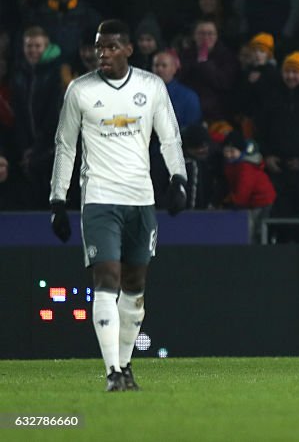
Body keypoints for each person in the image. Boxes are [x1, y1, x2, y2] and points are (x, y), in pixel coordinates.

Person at [48, 20, 188, 392]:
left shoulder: (150, 86)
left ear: (128, 49)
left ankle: (125, 366)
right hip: (99, 199)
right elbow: (66, 146)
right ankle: (112, 371)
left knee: (135, 286)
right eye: (98, 47)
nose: (102, 54)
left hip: (141, 199)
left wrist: (179, 178)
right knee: (106, 279)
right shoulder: (79, 90)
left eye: (110, 47)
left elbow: (169, 136)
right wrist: (58, 200)